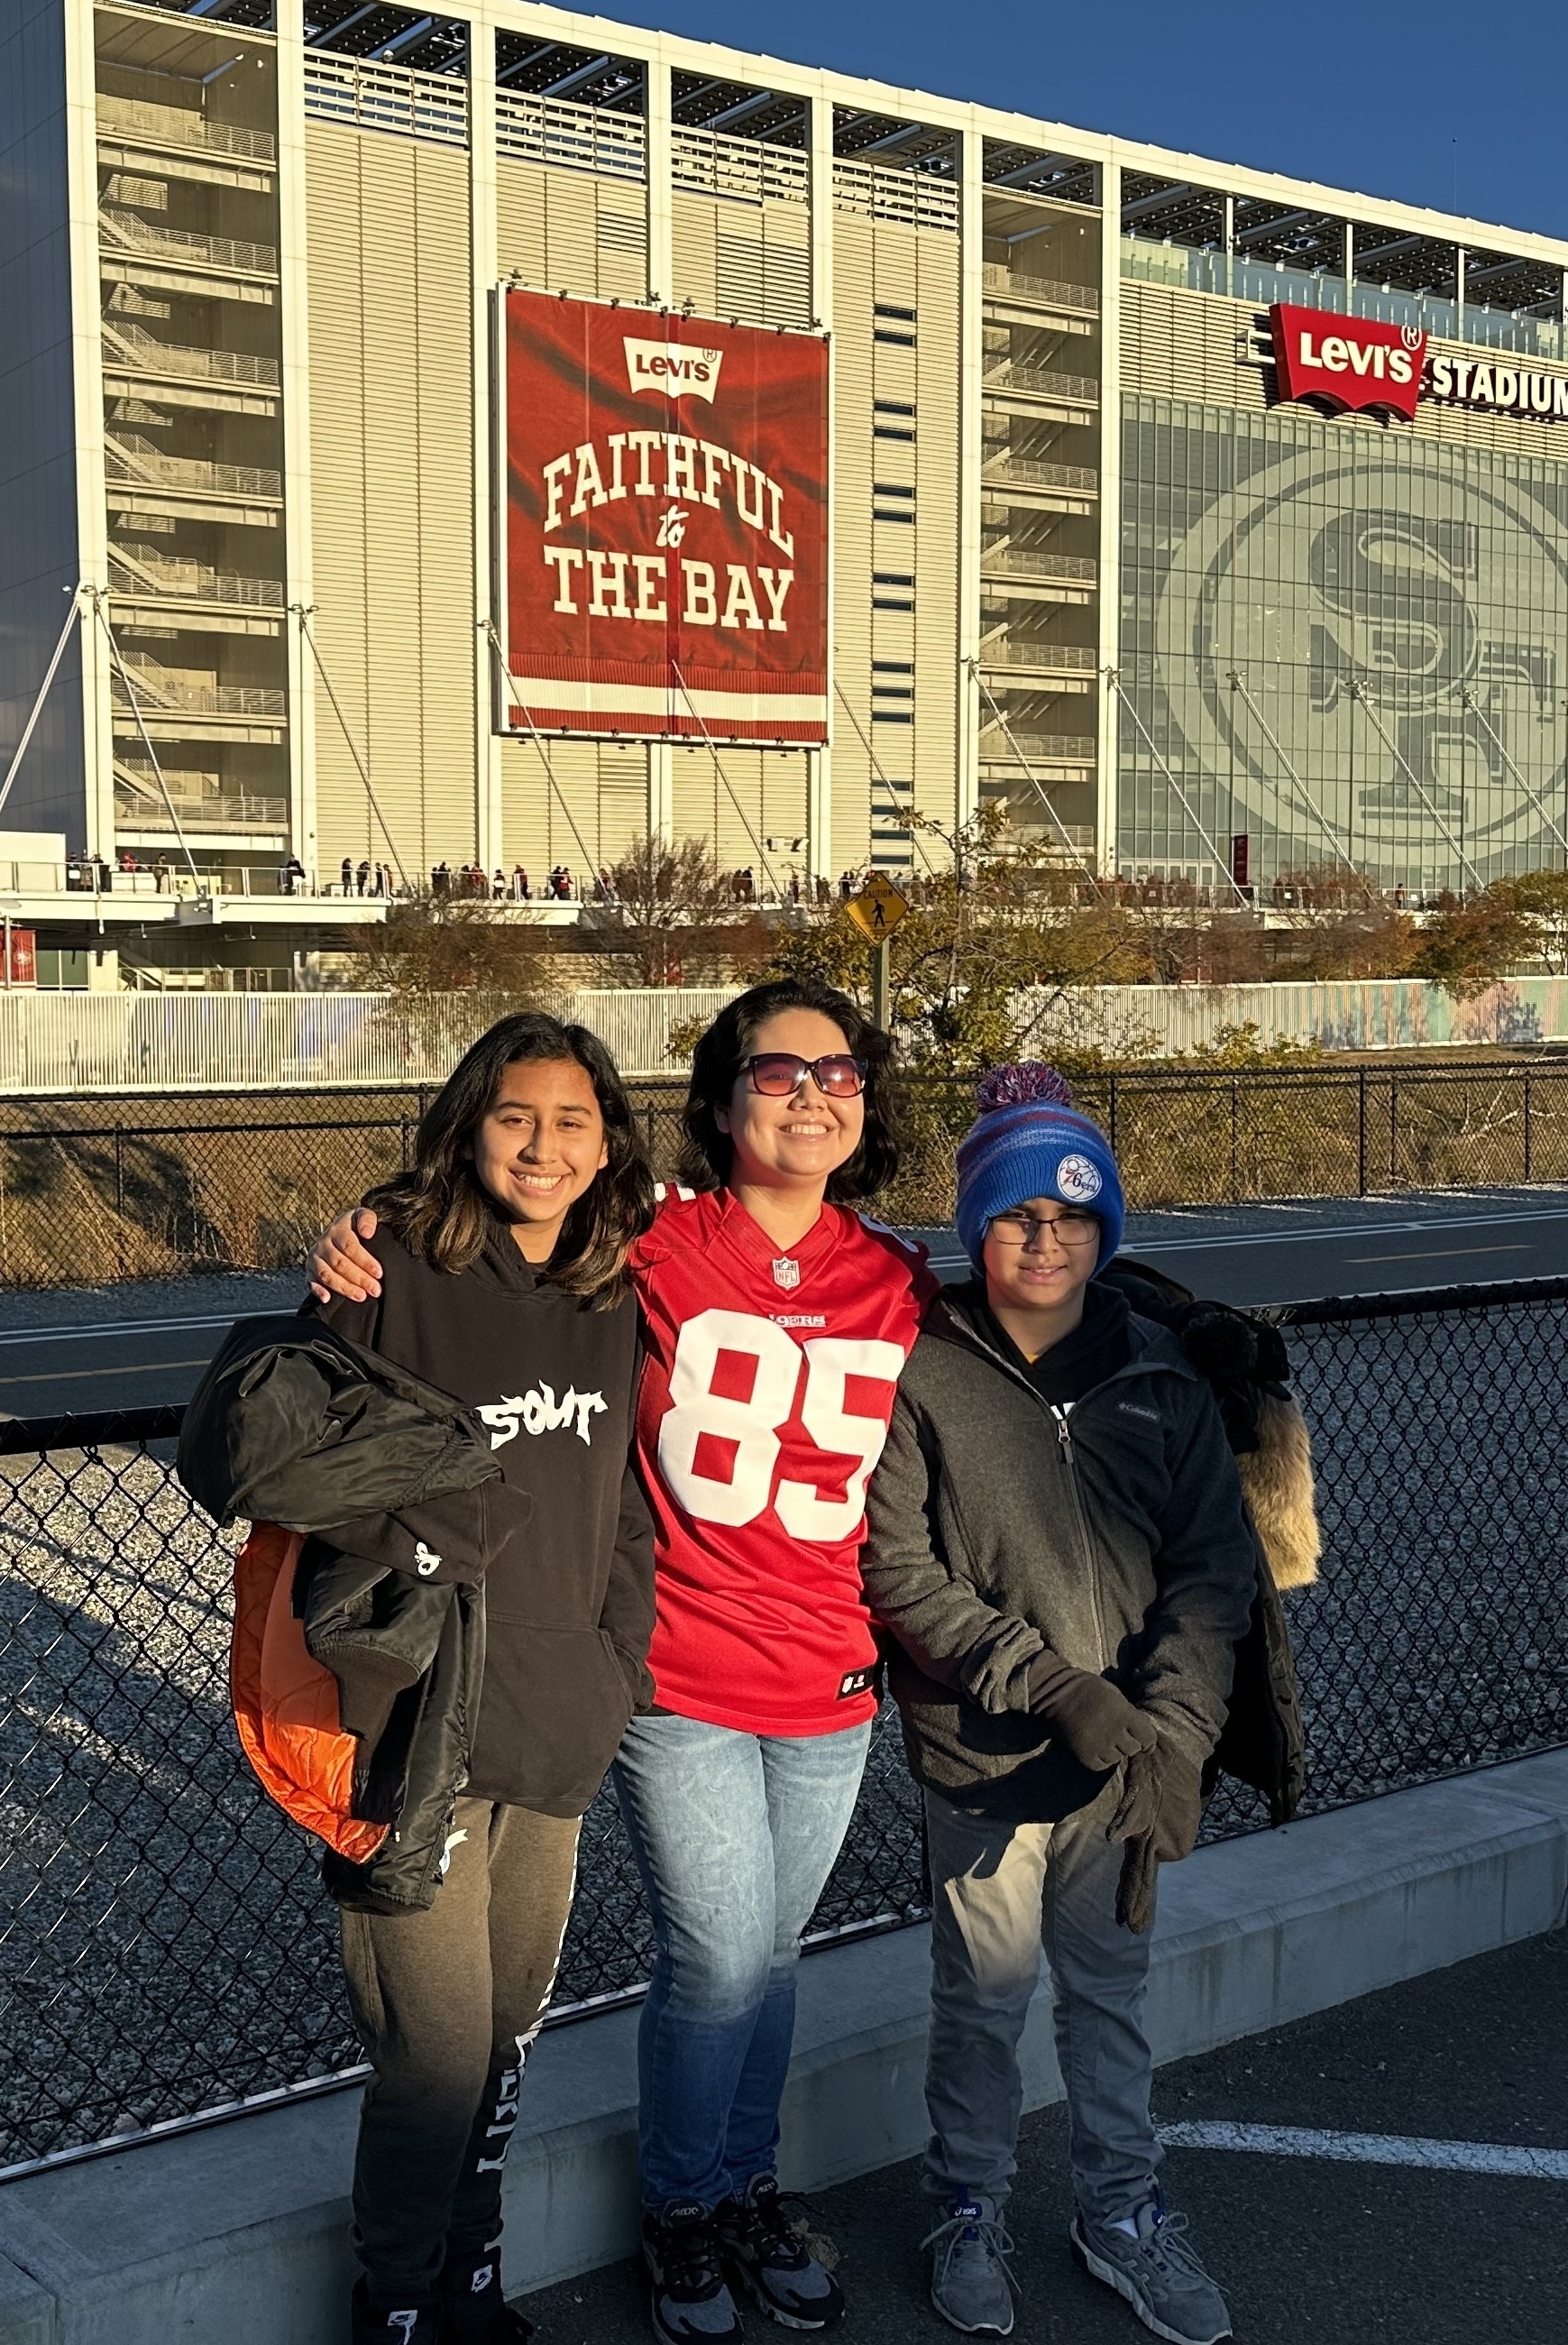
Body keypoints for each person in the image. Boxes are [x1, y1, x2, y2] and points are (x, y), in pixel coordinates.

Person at [313, 977, 931, 2340]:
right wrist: (362, 1226)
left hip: (825, 1673)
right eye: (777, 1072)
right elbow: (483, 1227)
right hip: (677, 1675)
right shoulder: (645, 1244)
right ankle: (678, 2212)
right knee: (715, 1957)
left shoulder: (897, 1275)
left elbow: (1002, 1367)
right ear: (719, 1098)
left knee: (771, 1957)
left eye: (839, 1073)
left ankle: (742, 2188)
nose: (812, 1095)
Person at [195, 1013, 665, 2343]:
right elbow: (273, 1450)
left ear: (607, 1143)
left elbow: (625, 1504)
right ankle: (396, 2297)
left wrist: (608, 1665)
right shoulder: (387, 1265)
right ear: (470, 1123)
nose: (544, 1144)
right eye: (517, 1115)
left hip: (557, 1726)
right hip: (414, 1738)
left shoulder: (611, 1288)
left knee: (506, 2047)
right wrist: (417, 1555)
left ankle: (471, 2275)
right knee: (435, 2058)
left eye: (575, 1121)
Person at [858, 1065, 1260, 2345]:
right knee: (981, 1998)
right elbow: (897, 1568)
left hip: (1130, 1761)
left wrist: (1180, 1736)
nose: (1046, 1240)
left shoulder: (1162, 1375)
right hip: (981, 1754)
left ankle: (1121, 2210)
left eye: (1076, 1219)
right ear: (981, 1224)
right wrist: (1048, 1684)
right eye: (1020, 1216)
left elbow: (1214, 1570)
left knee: (1110, 1994)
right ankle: (966, 2206)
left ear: (1109, 1230)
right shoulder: (925, 1375)